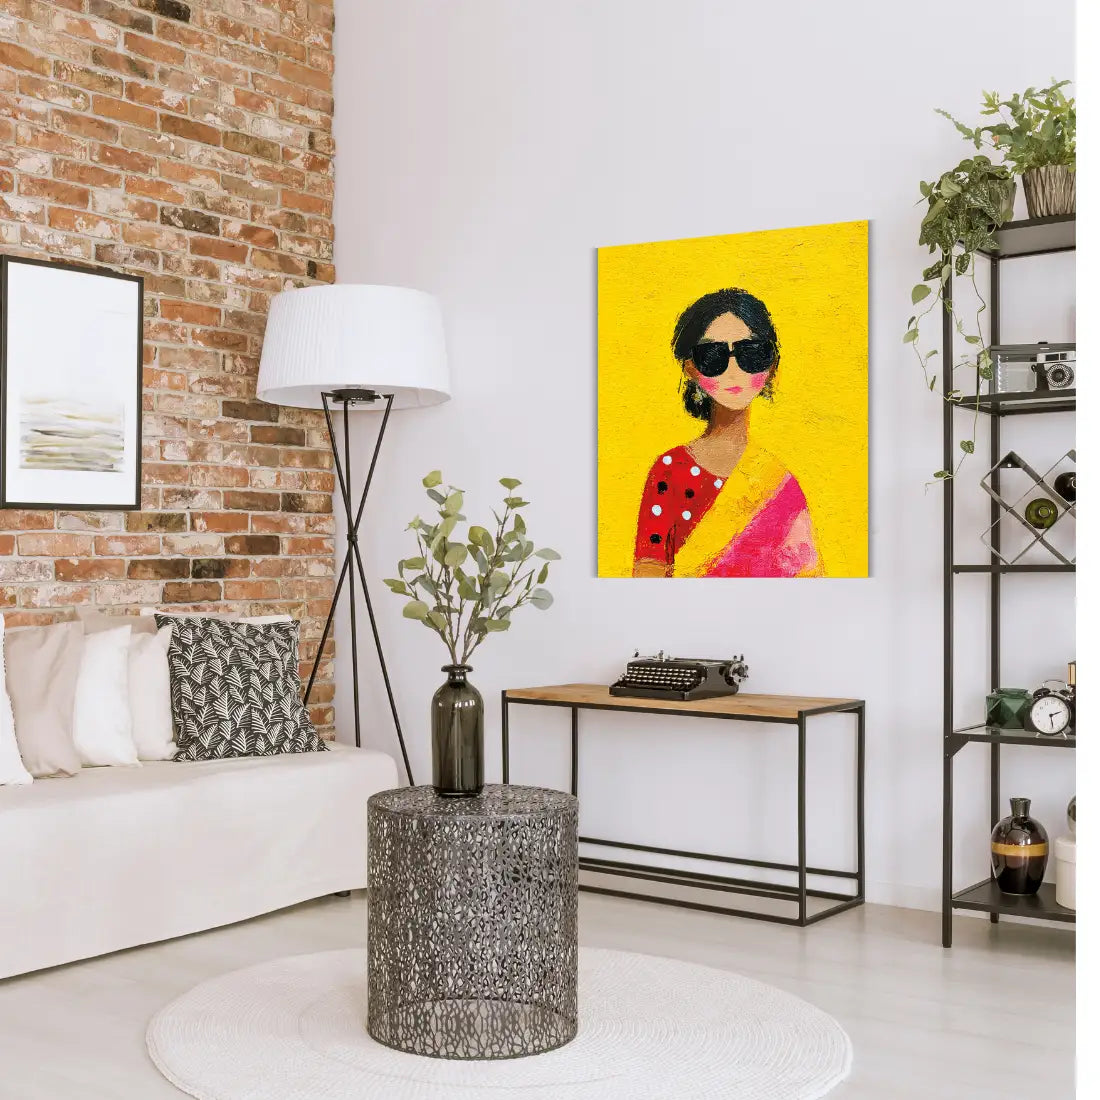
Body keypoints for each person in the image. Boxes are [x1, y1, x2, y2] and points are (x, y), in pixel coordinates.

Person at [633, 288, 822, 578]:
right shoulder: (668, 473)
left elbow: (809, 585)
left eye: (751, 353)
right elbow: (647, 578)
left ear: (771, 365)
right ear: (691, 368)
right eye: (714, 355)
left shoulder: (780, 484)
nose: (733, 371)